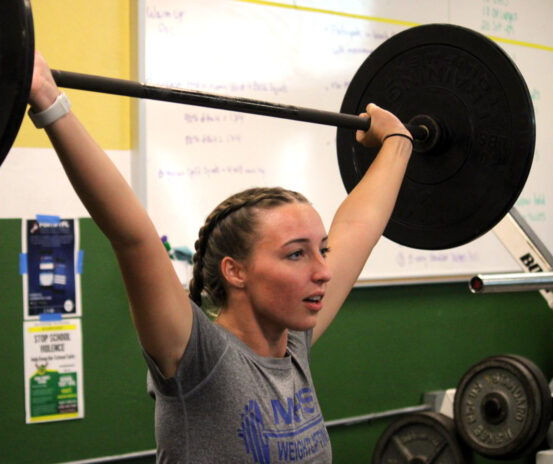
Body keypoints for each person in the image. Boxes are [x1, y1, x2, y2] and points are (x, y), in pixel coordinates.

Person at [29, 51, 413, 463]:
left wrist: (399, 142)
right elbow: (133, 238)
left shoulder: (294, 343)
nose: (323, 272)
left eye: (322, 251)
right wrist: (49, 102)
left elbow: (359, 226)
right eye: (296, 254)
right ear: (235, 271)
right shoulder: (199, 359)